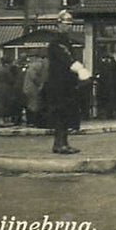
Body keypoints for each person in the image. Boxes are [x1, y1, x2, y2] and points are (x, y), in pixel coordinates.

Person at [47, 11, 81, 154]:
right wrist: (82, 71)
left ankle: (62, 143)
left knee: (65, 113)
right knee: (61, 113)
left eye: (70, 24)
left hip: (65, 83)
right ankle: (60, 144)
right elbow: (67, 59)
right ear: (58, 24)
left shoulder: (65, 41)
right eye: (66, 24)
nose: (69, 27)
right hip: (59, 84)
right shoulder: (57, 43)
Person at [22, 54, 48, 127]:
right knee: (34, 105)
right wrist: (40, 84)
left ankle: (31, 121)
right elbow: (34, 77)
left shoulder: (32, 65)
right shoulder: (38, 65)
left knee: (30, 104)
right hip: (33, 88)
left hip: (28, 87)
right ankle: (33, 121)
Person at [0, 55, 20, 126]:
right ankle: (4, 120)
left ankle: (2, 120)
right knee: (5, 104)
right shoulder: (6, 70)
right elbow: (11, 80)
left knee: (0, 104)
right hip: (5, 89)